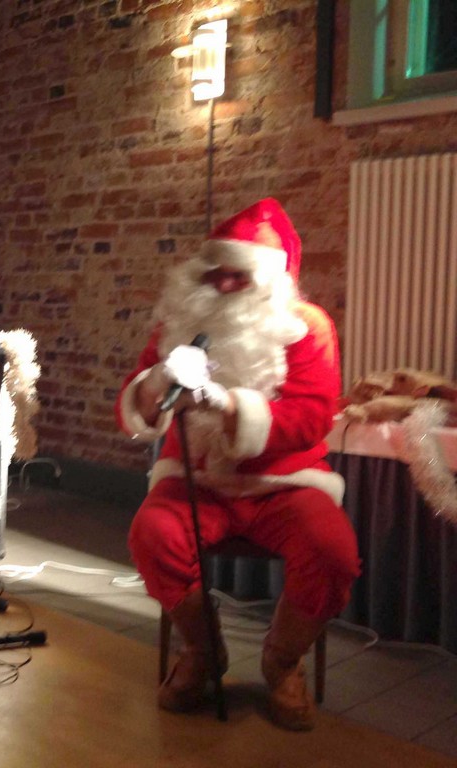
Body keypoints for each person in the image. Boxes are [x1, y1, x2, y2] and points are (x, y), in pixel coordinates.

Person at [115, 198, 361, 731]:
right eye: (215, 273)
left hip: (285, 482)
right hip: (197, 478)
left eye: (238, 275)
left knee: (332, 551)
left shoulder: (308, 327)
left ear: (269, 280)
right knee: (153, 535)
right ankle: (203, 650)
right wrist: (157, 381)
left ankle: (282, 661)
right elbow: (135, 405)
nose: (224, 284)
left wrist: (228, 406)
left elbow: (313, 416)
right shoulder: (181, 320)